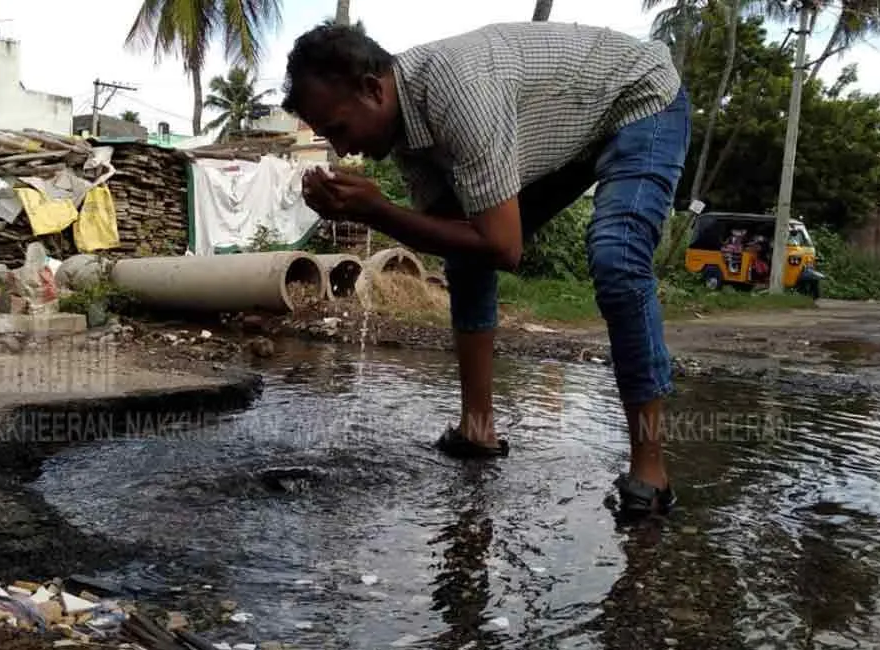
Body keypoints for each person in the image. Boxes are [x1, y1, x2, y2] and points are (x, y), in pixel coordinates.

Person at [284, 20, 691, 520]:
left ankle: (650, 470)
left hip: (640, 99)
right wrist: (362, 209)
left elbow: (503, 248)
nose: (342, 150)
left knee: (617, 258)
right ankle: (478, 428)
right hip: (573, 124)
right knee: (464, 243)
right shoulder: (405, 129)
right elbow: (445, 232)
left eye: (340, 130)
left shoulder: (458, 93)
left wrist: (377, 211)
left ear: (372, 89)